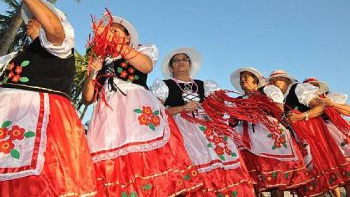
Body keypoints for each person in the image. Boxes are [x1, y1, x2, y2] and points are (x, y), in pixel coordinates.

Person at [0, 0, 97, 196]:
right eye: (31, 17)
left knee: (38, 184)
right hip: (10, 124)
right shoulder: (16, 57)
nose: (31, 20)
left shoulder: (60, 46)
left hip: (42, 124)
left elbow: (54, 30)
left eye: (38, 15)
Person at [83, 17, 202, 196]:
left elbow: (145, 66)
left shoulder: (140, 51)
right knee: (113, 157)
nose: (111, 33)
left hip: (134, 105)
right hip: (107, 113)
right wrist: (91, 72)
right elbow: (87, 98)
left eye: (116, 31)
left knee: (144, 154)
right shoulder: (99, 60)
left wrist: (116, 45)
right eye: (109, 31)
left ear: (127, 37)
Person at [150, 48, 255, 196]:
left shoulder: (204, 85)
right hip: (181, 128)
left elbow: (219, 108)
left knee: (221, 158)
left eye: (184, 59)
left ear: (189, 64)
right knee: (192, 162)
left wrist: (215, 105)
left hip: (208, 128)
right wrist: (182, 108)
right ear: (171, 67)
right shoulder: (164, 85)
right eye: (176, 60)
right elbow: (157, 111)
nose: (181, 62)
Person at [225, 67, 310, 196]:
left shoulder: (267, 91)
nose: (242, 79)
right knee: (253, 181)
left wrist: (256, 110)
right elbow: (232, 122)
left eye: (246, 76)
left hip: (267, 138)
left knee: (276, 181)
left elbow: (278, 109)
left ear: (255, 80)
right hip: (247, 142)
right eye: (241, 77)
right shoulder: (238, 100)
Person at [268, 70, 350, 197]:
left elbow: (323, 107)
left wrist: (302, 116)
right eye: (271, 81)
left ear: (286, 80)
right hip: (302, 140)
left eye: (276, 80)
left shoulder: (299, 90)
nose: (273, 83)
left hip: (321, 136)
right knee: (312, 180)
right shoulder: (280, 100)